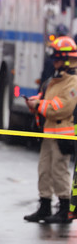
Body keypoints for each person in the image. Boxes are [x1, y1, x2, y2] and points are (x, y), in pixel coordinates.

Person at [24, 36, 77, 224]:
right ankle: (44, 206)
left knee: (59, 171)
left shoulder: (73, 82)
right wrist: (34, 101)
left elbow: (61, 107)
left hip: (63, 134)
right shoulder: (54, 80)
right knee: (44, 170)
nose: (54, 62)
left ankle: (64, 209)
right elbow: (45, 97)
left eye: (57, 58)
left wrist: (38, 104)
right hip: (49, 133)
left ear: (66, 59)